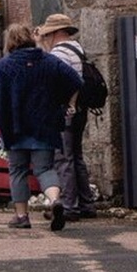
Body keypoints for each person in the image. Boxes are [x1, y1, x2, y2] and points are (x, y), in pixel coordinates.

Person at [0, 23, 82, 231]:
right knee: (45, 169)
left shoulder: (3, 65)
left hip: (14, 127)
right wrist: (70, 104)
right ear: (30, 38)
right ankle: (55, 200)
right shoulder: (48, 60)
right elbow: (76, 81)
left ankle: (21, 216)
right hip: (44, 125)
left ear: (10, 41)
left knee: (17, 170)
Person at [35, 13, 97, 221]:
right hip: (80, 109)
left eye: (48, 34)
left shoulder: (60, 53)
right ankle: (86, 203)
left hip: (65, 111)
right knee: (76, 156)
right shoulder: (76, 48)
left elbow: (53, 80)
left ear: (55, 32)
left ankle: (70, 206)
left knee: (63, 158)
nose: (47, 37)